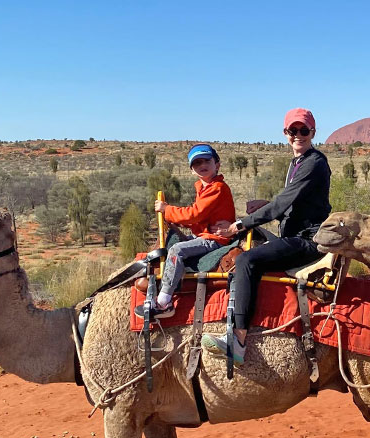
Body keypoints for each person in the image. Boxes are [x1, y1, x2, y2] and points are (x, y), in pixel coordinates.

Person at [202, 108, 332, 366]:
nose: (298, 135)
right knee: (247, 245)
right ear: (285, 134)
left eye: (303, 130)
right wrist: (265, 205)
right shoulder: (297, 162)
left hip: (306, 241)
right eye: (293, 130)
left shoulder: (314, 162)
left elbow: (283, 203)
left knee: (246, 261)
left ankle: (237, 340)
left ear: (313, 133)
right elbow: (292, 202)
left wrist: (239, 224)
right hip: (294, 234)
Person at [136, 144, 235, 319]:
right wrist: (173, 219)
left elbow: (194, 215)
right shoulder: (205, 188)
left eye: (206, 160)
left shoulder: (217, 188)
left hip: (213, 239)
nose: (202, 165)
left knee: (176, 250)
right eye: (197, 163)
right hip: (205, 234)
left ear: (217, 164)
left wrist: (167, 210)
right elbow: (199, 218)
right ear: (192, 170)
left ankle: (164, 302)